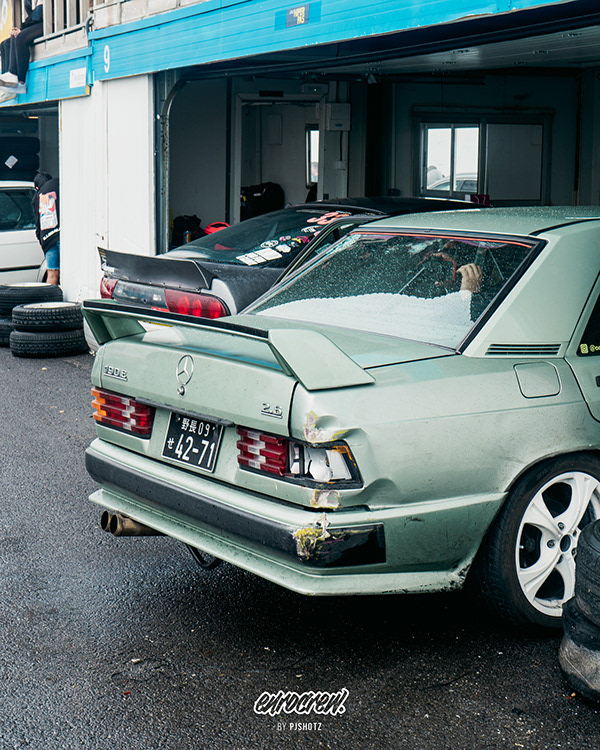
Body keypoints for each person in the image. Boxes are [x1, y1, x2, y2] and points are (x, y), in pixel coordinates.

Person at [0, 0, 43, 103]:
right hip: (38, 23)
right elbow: (33, 17)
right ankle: (8, 83)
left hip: (50, 22)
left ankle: (20, 82)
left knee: (20, 37)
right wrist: (20, 29)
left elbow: (39, 15)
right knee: (8, 41)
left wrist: (22, 29)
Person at [33, 172, 60, 285]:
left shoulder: (37, 197)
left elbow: (38, 226)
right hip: (61, 235)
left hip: (48, 239)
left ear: (37, 187)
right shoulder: (58, 184)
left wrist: (43, 243)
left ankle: (50, 296)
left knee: (52, 274)